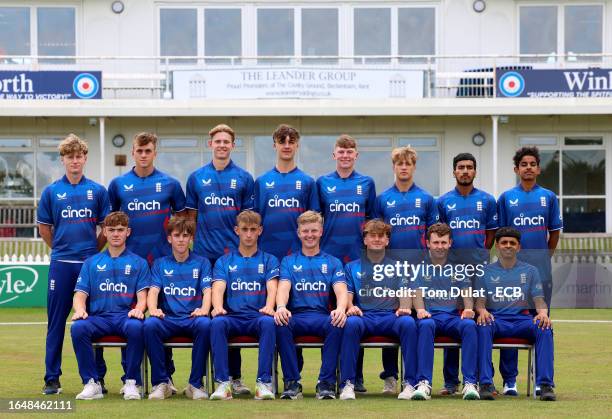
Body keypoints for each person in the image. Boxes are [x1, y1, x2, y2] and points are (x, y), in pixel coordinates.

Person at [108, 131, 186, 393]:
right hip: (129, 265)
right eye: (139, 151)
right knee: (129, 317)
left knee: (160, 318)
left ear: (155, 152)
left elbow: (182, 222)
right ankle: (129, 379)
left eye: (148, 150)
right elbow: (113, 223)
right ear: (133, 152)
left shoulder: (171, 184)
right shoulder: (118, 185)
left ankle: (166, 377)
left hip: (163, 263)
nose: (143, 155)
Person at [37, 134, 110, 395]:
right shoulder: (51, 191)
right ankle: (51, 378)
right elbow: (44, 227)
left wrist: (94, 251)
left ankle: (96, 378)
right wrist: (59, 248)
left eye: (79, 156)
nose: (75, 161)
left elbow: (106, 227)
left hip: (89, 266)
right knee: (55, 322)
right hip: (61, 265)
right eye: (70, 157)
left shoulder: (98, 191)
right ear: (63, 160)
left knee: (92, 321)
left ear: (85, 158)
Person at [186, 123, 255, 394]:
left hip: (233, 259)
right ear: (210, 144)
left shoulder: (244, 177)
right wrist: (193, 245)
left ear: (233, 146)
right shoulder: (195, 178)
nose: (222, 145)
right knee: (204, 319)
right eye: (218, 141)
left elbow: (248, 220)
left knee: (230, 315)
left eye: (227, 141)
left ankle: (233, 378)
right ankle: (199, 380)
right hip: (204, 256)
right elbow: (190, 217)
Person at [496, 146, 562, 395]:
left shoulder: (549, 197)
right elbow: (502, 236)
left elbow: (554, 233)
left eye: (532, 163)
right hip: (510, 275)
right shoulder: (506, 198)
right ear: (516, 169)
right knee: (509, 323)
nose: (528, 168)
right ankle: (509, 381)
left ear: (538, 168)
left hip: (541, 273)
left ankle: (540, 381)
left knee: (541, 323)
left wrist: (543, 257)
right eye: (523, 164)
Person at [372, 146, 438, 394]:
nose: (403, 167)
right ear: (394, 167)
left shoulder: (427, 199)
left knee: (417, 322)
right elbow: (377, 234)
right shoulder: (382, 199)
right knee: (394, 319)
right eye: (399, 163)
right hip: (390, 271)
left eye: (408, 163)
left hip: (419, 271)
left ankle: (417, 378)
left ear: (413, 167)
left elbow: (433, 235)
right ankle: (390, 376)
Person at [435, 153, 497, 395]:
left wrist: (479, 254)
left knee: (480, 321)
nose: (465, 171)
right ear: (454, 172)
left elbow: (490, 235)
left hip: (478, 271)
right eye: (460, 167)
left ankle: (484, 379)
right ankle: (451, 382)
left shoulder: (487, 200)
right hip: (451, 272)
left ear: (475, 171)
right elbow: (439, 234)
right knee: (454, 320)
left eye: (469, 167)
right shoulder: (443, 202)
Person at [70, 211, 148, 400]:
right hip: (99, 318)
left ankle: (131, 382)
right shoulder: (91, 262)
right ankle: (92, 383)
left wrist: (139, 308)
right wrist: (80, 310)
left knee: (137, 327)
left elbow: (142, 296)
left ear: (128, 232)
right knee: (78, 327)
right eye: (111, 230)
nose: (115, 234)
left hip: (125, 317)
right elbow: (79, 294)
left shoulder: (139, 262)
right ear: (104, 231)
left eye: (120, 230)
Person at [338, 219, 418, 400]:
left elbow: (406, 291)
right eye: (372, 236)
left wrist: (405, 307)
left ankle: (410, 384)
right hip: (364, 316)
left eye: (381, 236)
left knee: (408, 322)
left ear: (387, 241)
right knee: (350, 323)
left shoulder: (399, 266)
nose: (376, 239)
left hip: (390, 316)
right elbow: (348, 294)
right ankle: (348, 384)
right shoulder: (352, 266)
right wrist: (351, 307)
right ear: (365, 240)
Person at [475, 227, 556, 401]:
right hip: (496, 320)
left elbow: (539, 299)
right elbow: (480, 302)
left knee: (545, 327)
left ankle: (545, 385)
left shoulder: (530, 271)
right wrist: (482, 311)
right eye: (504, 243)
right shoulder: (486, 271)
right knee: (482, 324)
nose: (508, 246)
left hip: (522, 321)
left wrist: (543, 313)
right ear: (497, 246)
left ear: (519, 247)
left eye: (512, 243)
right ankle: (485, 383)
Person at [275, 211, 348, 400]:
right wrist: (281, 307)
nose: (310, 235)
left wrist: (340, 309)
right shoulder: (289, 261)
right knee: (281, 323)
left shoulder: (333, 262)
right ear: (298, 233)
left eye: (314, 230)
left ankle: (326, 383)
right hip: (296, 316)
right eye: (305, 231)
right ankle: (292, 383)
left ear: (321, 231)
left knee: (338, 322)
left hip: (322, 316)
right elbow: (283, 288)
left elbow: (341, 290)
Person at [209, 210, 279, 400]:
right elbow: (218, 287)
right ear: (236, 230)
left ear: (260, 231)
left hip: (257, 317)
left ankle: (263, 383)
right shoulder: (224, 261)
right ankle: (224, 384)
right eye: (245, 229)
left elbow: (272, 287)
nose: (249, 234)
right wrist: (217, 307)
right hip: (233, 316)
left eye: (253, 230)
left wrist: (270, 306)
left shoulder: (269, 260)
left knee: (269, 322)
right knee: (216, 323)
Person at [144, 217, 212, 400]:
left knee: (206, 324)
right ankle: (161, 383)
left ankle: (195, 384)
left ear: (191, 239)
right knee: (150, 325)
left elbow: (208, 290)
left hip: (193, 318)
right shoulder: (160, 263)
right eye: (177, 235)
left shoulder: (202, 263)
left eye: (185, 235)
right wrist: (153, 309)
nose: (181, 239)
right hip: (168, 319)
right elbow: (153, 291)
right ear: (169, 239)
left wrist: (204, 309)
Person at [413, 223, 480, 401]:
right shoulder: (419, 265)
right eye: (436, 242)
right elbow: (416, 292)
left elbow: (466, 291)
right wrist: (420, 310)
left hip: (452, 318)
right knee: (425, 325)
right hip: (429, 317)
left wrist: (468, 308)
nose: (440, 246)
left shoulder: (458, 266)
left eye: (443, 242)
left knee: (469, 325)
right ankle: (423, 383)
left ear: (450, 243)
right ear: (428, 243)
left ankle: (470, 383)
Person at [254, 123, 319, 261]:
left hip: (299, 255)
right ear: (274, 145)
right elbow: (254, 221)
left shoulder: (308, 182)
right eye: (282, 142)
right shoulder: (261, 182)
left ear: (297, 145)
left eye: (291, 142)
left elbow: (314, 223)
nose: (287, 146)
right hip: (266, 253)